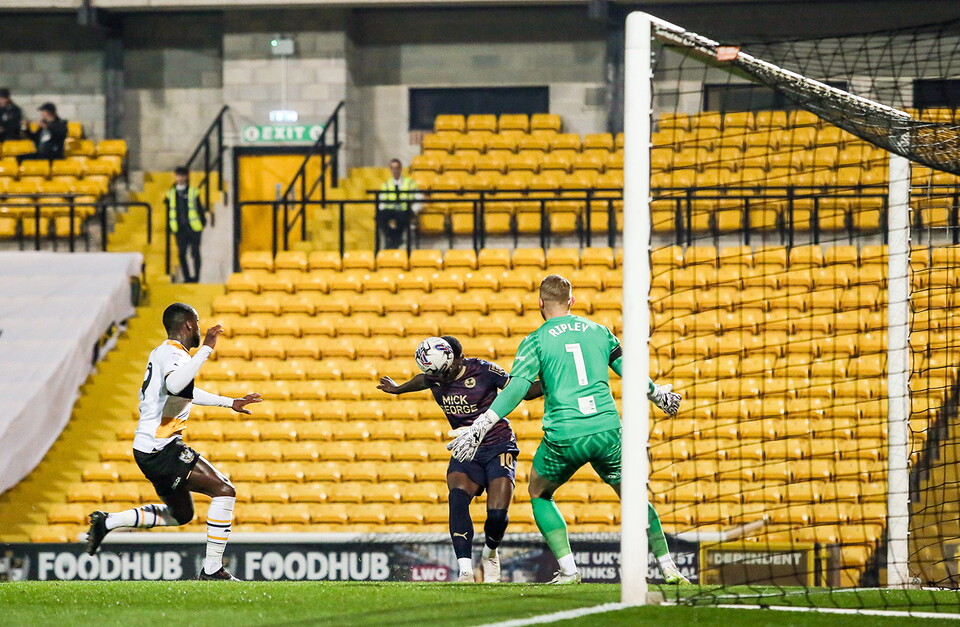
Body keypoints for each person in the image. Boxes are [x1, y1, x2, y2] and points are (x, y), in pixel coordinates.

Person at [447, 275, 689, 585]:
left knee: (539, 492)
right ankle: (669, 568)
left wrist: (481, 424)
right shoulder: (600, 331)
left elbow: (517, 387)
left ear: (540, 303)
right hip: (608, 430)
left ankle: (570, 570)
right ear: (571, 301)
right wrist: (659, 395)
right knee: (633, 498)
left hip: (565, 435)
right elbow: (631, 371)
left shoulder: (535, 340)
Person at [86, 303, 262, 581]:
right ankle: (213, 570)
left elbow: (185, 391)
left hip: (148, 449)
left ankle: (108, 522)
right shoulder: (171, 353)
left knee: (181, 515)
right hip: (161, 448)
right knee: (224, 491)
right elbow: (177, 385)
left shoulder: (165, 354)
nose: (201, 329)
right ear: (189, 325)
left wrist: (230, 403)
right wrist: (207, 349)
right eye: (198, 323)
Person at [378, 336, 542, 583]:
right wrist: (398, 388)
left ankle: (490, 552)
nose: (441, 378)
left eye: (446, 371)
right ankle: (465, 571)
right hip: (465, 449)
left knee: (497, 516)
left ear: (459, 358)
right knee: (456, 498)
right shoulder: (435, 374)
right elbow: (423, 380)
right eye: (437, 374)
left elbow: (523, 392)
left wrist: (553, 381)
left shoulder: (484, 370)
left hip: (498, 444)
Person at [165, 166, 206, 283]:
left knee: (195, 253)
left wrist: (202, 223)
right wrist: (171, 226)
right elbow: (169, 210)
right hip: (179, 229)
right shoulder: (171, 193)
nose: (180, 178)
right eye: (178, 175)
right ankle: (187, 277)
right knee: (181, 253)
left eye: (182, 175)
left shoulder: (193, 191)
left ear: (187, 177)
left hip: (193, 228)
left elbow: (199, 208)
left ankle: (196, 277)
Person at [376, 158, 419, 249]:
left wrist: (414, 209)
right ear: (390, 169)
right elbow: (381, 201)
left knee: (403, 217)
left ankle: (395, 240)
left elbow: (419, 199)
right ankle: (393, 238)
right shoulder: (386, 184)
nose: (395, 170)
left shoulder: (410, 183)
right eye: (392, 168)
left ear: (400, 169)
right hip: (391, 211)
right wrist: (382, 209)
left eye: (397, 168)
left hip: (404, 210)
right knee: (379, 216)